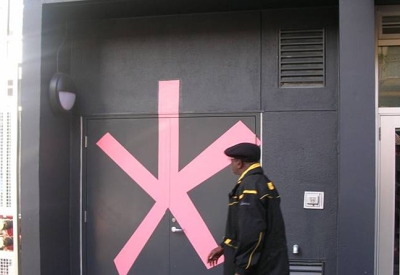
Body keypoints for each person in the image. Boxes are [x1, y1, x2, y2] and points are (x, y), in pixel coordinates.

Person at [207, 142, 289, 275]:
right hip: (269, 264)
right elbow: (242, 227)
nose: (231, 165)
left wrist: (242, 268)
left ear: (239, 163)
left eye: (232, 161)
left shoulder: (250, 186)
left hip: (258, 267)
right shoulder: (262, 182)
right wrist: (224, 246)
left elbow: (252, 232)